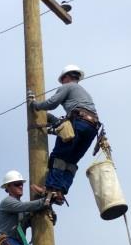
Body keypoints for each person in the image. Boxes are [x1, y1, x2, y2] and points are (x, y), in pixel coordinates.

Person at [29, 64, 100, 200]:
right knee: (71, 161)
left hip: (79, 123)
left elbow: (52, 103)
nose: (61, 83)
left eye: (62, 80)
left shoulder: (67, 86)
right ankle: (60, 192)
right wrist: (53, 122)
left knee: (58, 156)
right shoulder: (84, 93)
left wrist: (35, 105)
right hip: (92, 128)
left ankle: (50, 189)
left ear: (66, 77)